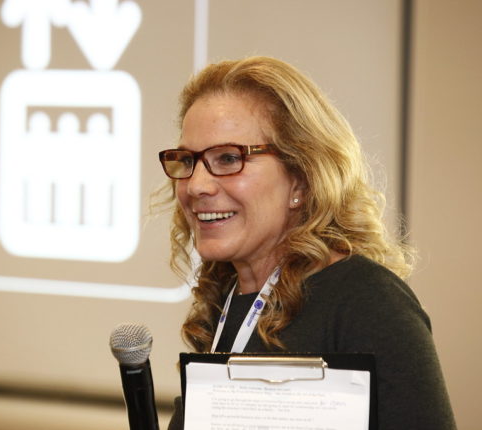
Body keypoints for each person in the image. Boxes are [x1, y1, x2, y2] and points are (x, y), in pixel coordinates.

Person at [157, 56, 455, 429]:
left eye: (229, 158)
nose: (196, 185)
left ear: (300, 178)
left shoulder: (368, 302)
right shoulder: (225, 299)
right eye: (188, 161)